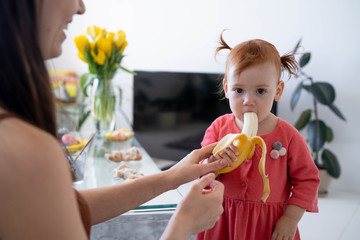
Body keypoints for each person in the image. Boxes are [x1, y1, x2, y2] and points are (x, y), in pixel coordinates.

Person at [0, 1, 227, 239]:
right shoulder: (26, 150)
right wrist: (184, 224)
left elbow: (68, 206)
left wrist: (173, 176)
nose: (81, 8)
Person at [196, 31, 320, 240]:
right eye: (239, 90)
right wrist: (213, 161)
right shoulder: (218, 128)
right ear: (227, 88)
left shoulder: (289, 136)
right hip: (221, 218)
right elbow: (200, 170)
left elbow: (308, 180)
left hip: (268, 224)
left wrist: (290, 219)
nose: (248, 100)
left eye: (260, 91)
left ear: (278, 91)